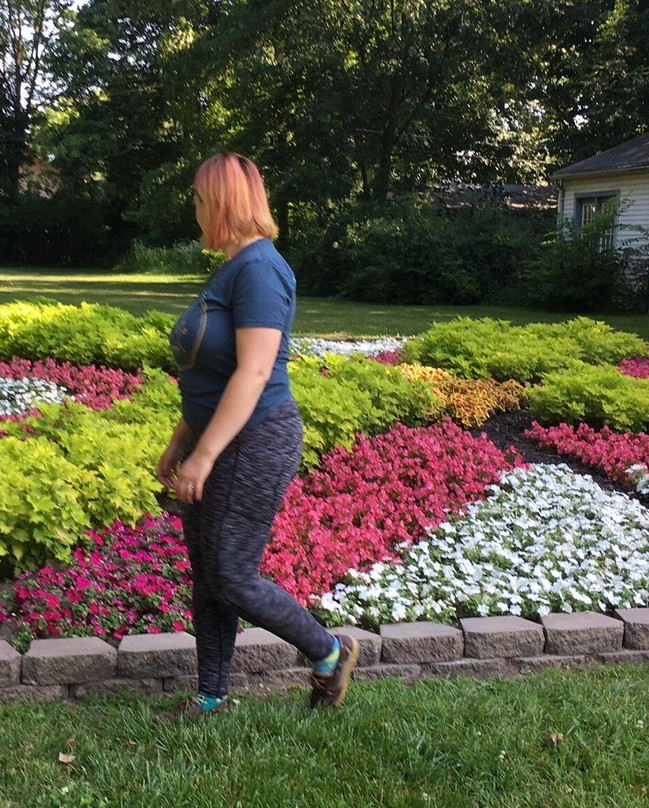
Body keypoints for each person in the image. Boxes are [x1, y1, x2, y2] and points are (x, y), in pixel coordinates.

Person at [156, 152, 359, 717]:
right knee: (207, 575)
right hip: (216, 435)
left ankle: (328, 651)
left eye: (199, 200)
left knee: (229, 573)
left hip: (256, 438)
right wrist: (183, 442)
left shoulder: (261, 269)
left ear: (221, 202)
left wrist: (206, 453)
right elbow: (212, 375)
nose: (195, 211)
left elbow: (253, 373)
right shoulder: (232, 267)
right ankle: (211, 697)